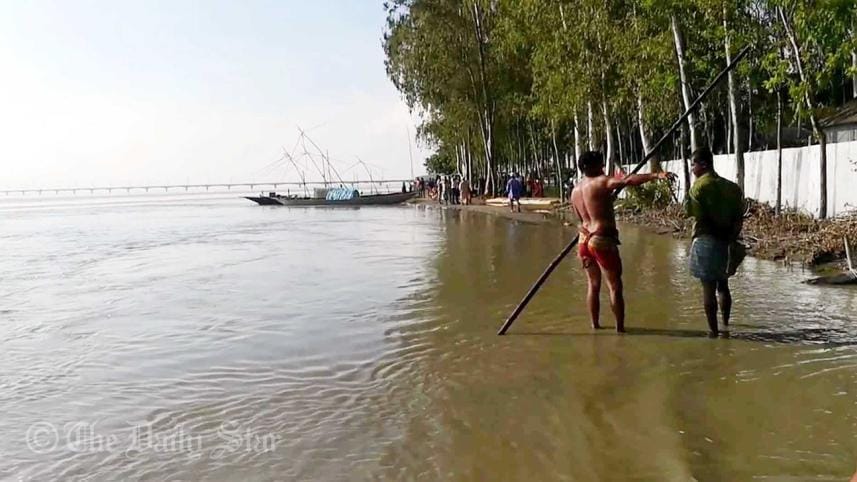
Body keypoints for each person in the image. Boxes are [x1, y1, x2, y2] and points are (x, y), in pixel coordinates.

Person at [570, 151, 673, 332]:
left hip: (584, 241)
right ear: (592, 166)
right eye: (600, 164)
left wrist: (606, 201)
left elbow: (581, 219)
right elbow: (628, 180)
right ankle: (620, 330)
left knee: (592, 285)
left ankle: (595, 325)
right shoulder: (601, 181)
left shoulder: (575, 190)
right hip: (602, 240)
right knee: (615, 286)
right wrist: (655, 175)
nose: (603, 168)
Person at [684, 147, 745, 337]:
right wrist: (731, 239)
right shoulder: (732, 187)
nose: (692, 169)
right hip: (726, 241)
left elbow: (691, 213)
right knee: (723, 285)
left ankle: (713, 332)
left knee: (708, 288)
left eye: (693, 165)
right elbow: (739, 218)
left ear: (702, 164)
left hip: (705, 240)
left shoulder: (697, 188)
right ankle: (726, 324)